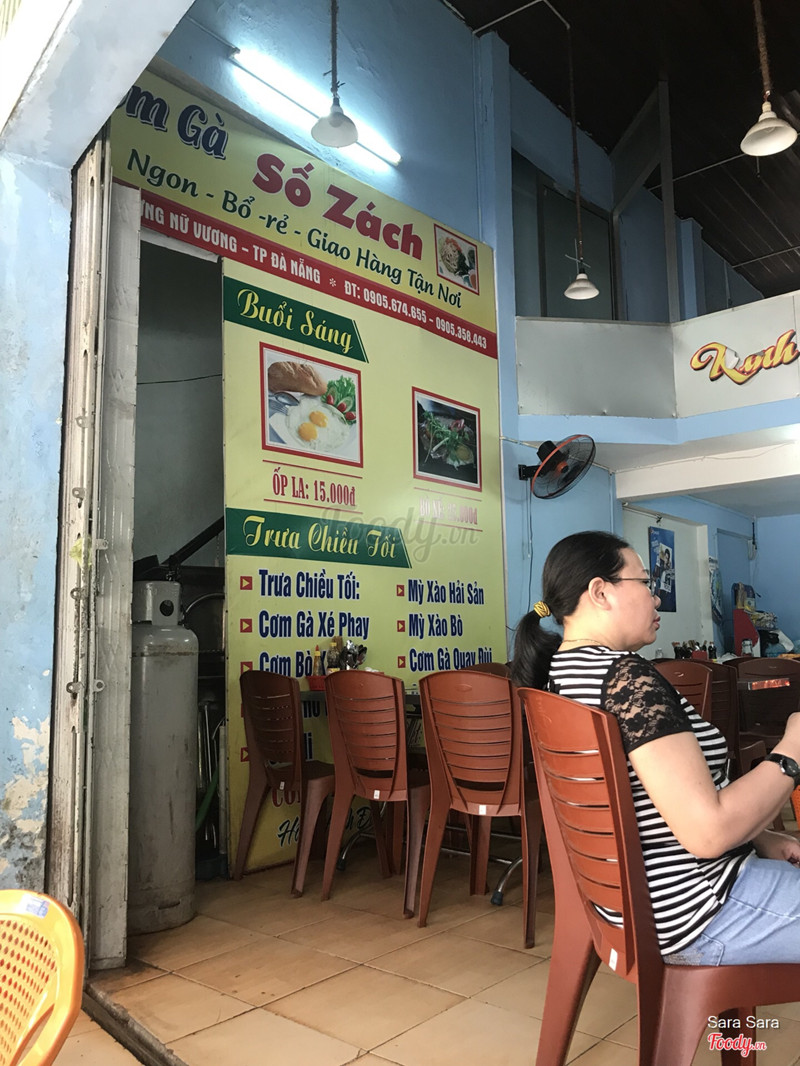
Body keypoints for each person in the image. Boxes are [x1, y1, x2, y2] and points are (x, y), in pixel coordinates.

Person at [512, 529, 800, 965]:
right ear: (600, 592)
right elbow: (707, 832)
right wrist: (792, 749)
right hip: (700, 908)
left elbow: (660, 796)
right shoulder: (626, 680)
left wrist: (761, 838)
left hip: (635, 907)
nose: (657, 598)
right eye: (645, 583)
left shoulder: (557, 677)